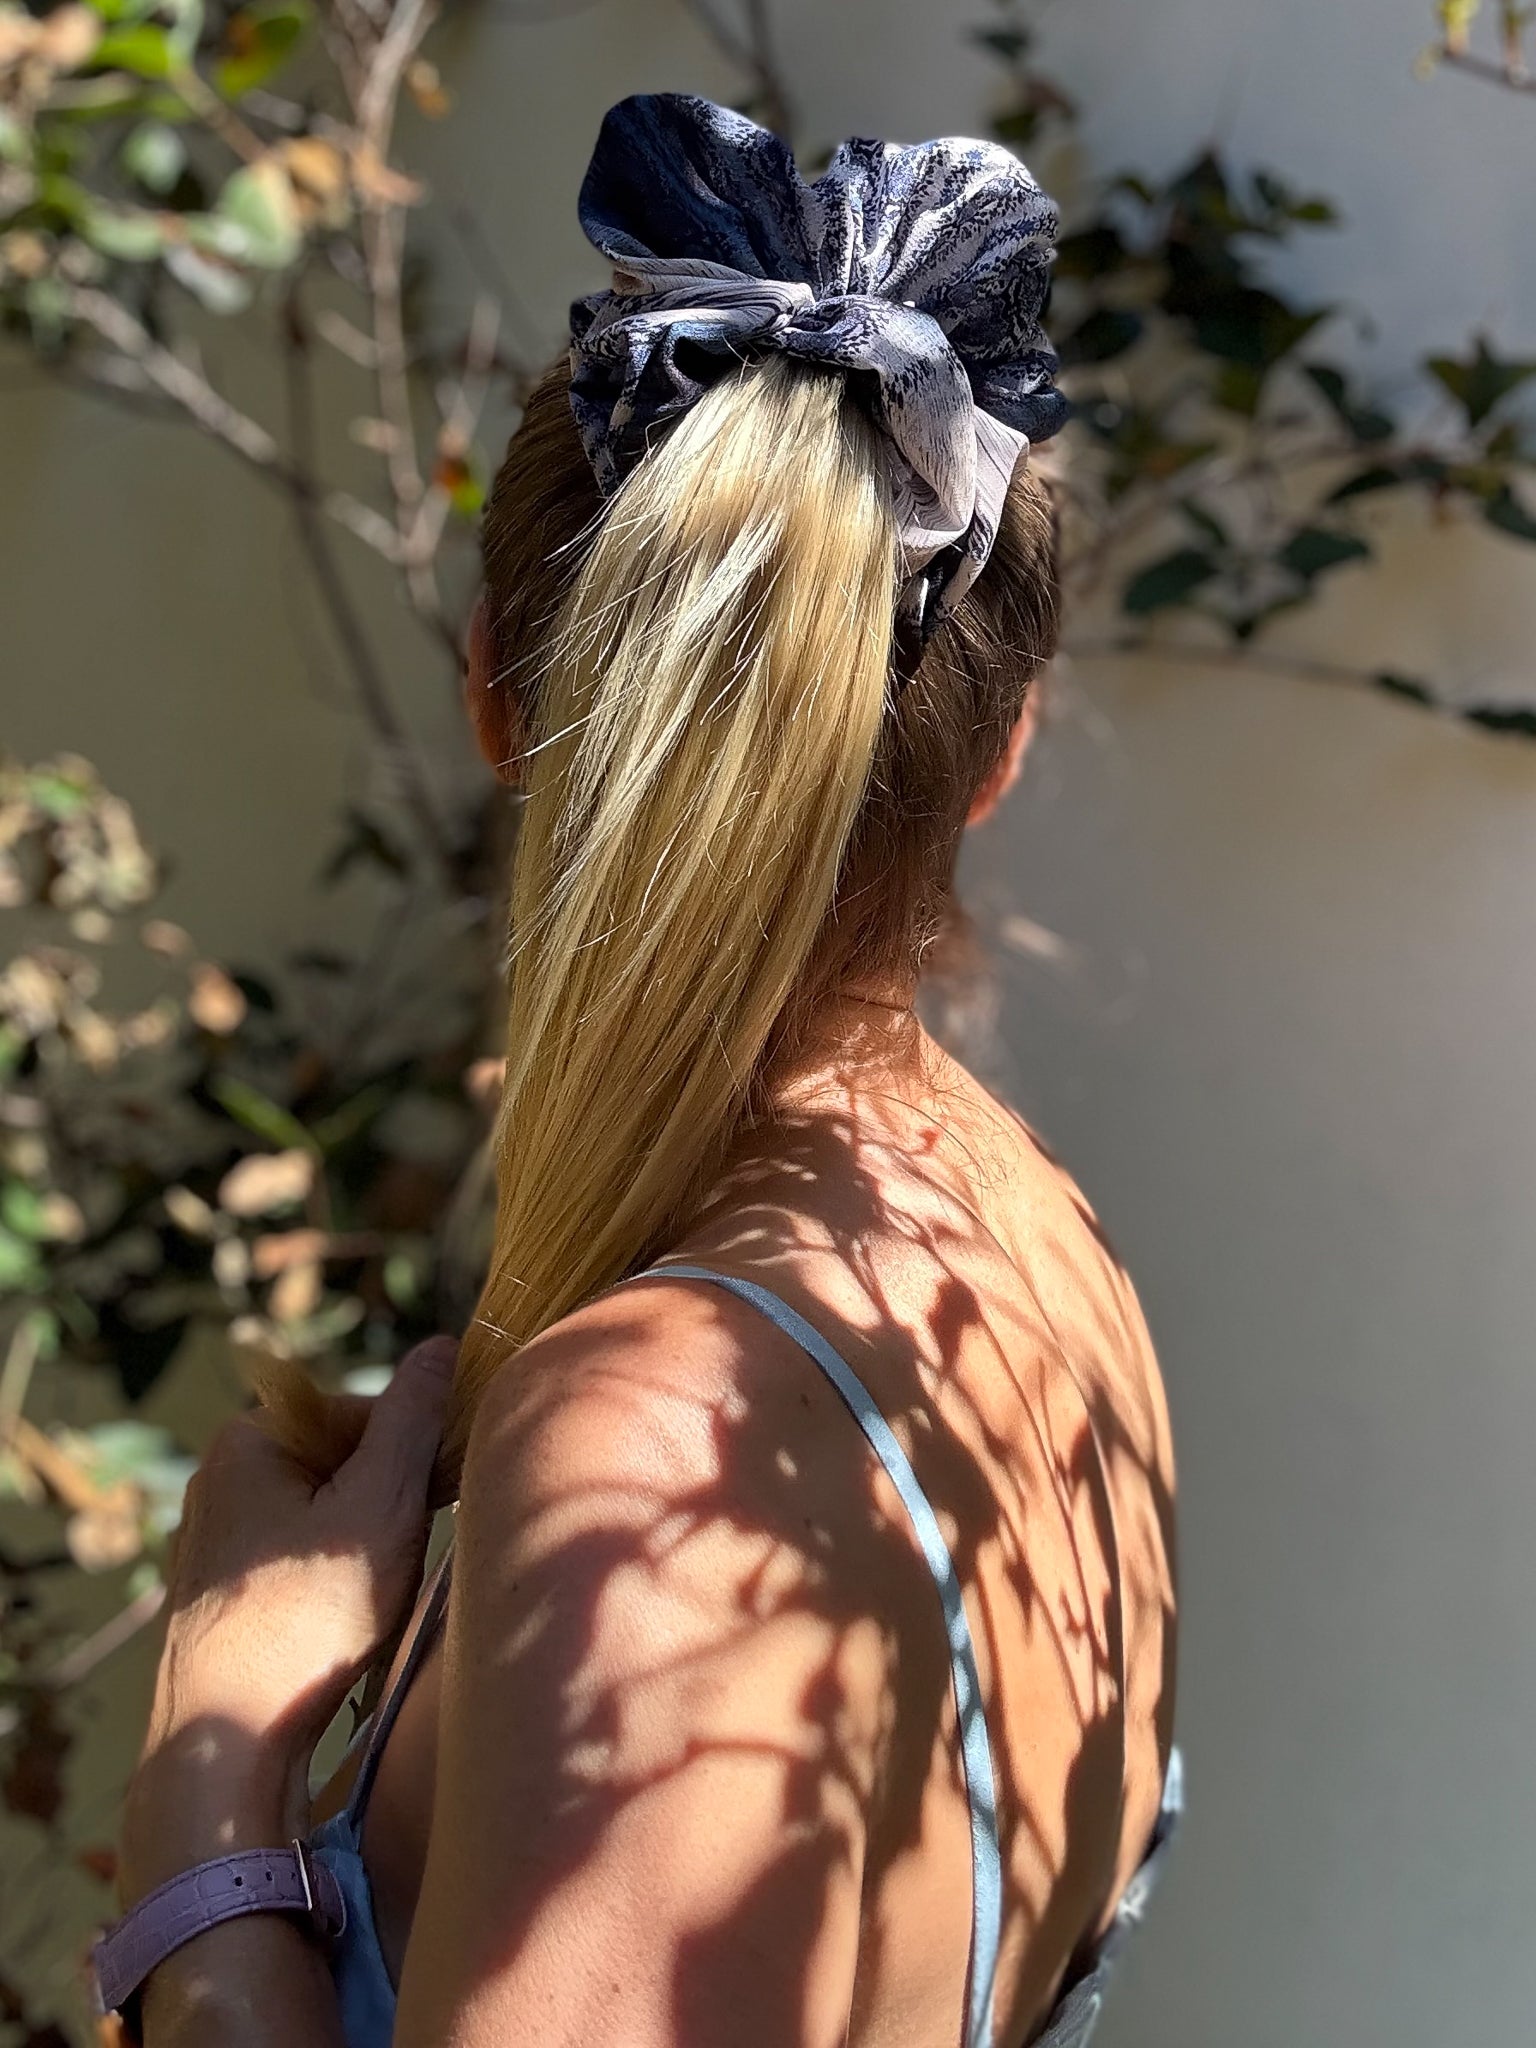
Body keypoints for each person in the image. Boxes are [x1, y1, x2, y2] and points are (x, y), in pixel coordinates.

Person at [95, 93, 1179, 2048]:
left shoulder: (651, 1454)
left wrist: (212, 1757)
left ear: (495, 689)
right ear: (997, 758)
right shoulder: (1040, 1257)